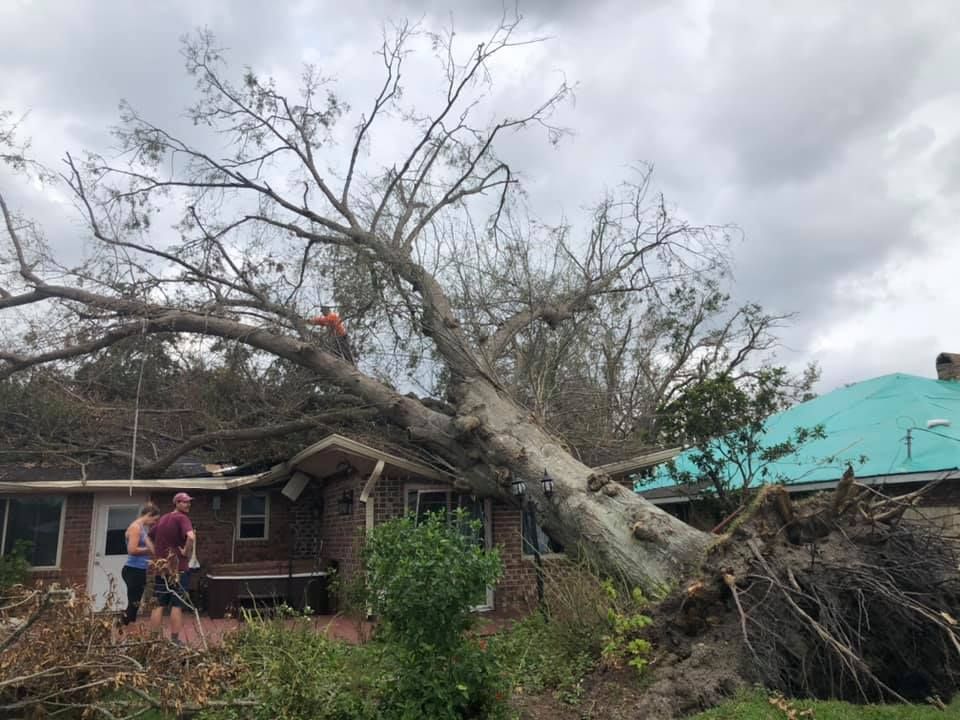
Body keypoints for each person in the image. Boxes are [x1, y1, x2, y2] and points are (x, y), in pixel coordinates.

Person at [149, 492, 196, 644]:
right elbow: (191, 536)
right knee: (177, 605)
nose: (187, 504)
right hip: (178, 569)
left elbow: (149, 536)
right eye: (184, 502)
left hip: (161, 568)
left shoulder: (163, 519)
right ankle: (175, 640)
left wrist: (156, 553)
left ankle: (153, 640)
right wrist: (186, 552)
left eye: (189, 502)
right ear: (176, 503)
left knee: (159, 604)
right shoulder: (182, 518)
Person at [121, 501, 160, 626]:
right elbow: (132, 550)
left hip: (139, 569)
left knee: (135, 603)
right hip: (133, 570)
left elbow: (153, 549)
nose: (154, 523)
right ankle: (121, 627)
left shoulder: (143, 528)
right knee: (134, 603)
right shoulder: (136, 527)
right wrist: (148, 550)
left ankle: (127, 627)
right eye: (154, 519)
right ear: (148, 514)